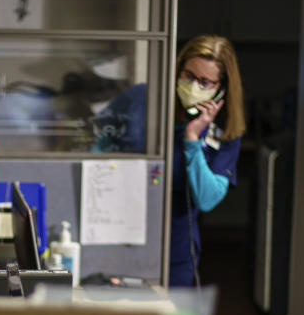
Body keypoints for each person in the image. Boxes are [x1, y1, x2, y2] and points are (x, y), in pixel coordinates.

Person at [92, 34, 245, 287]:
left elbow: (207, 199)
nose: (194, 85)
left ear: (221, 89)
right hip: (117, 234)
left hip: (175, 250)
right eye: (188, 75)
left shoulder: (225, 131)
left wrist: (192, 138)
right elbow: (94, 146)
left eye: (205, 82)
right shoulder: (140, 99)